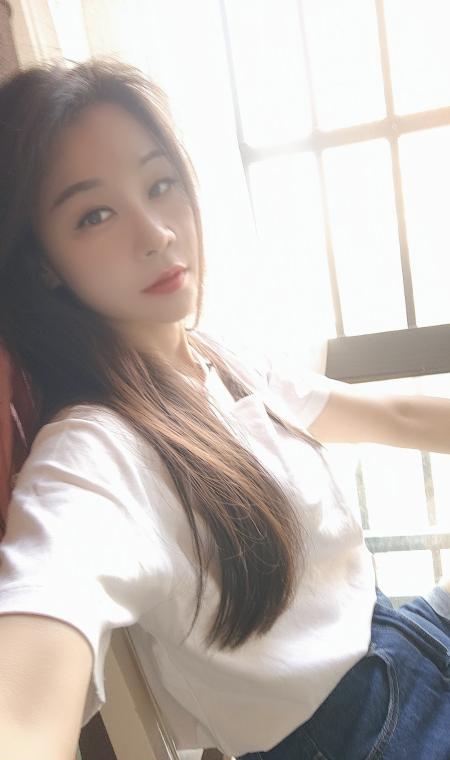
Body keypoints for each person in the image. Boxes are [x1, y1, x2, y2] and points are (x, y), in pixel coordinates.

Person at [0, 57, 449, 760]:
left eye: (160, 184)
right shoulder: (93, 453)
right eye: (95, 214)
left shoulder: (225, 362)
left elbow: (395, 416)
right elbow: (25, 702)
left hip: (407, 635)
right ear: (44, 263)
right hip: (365, 736)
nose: (156, 232)